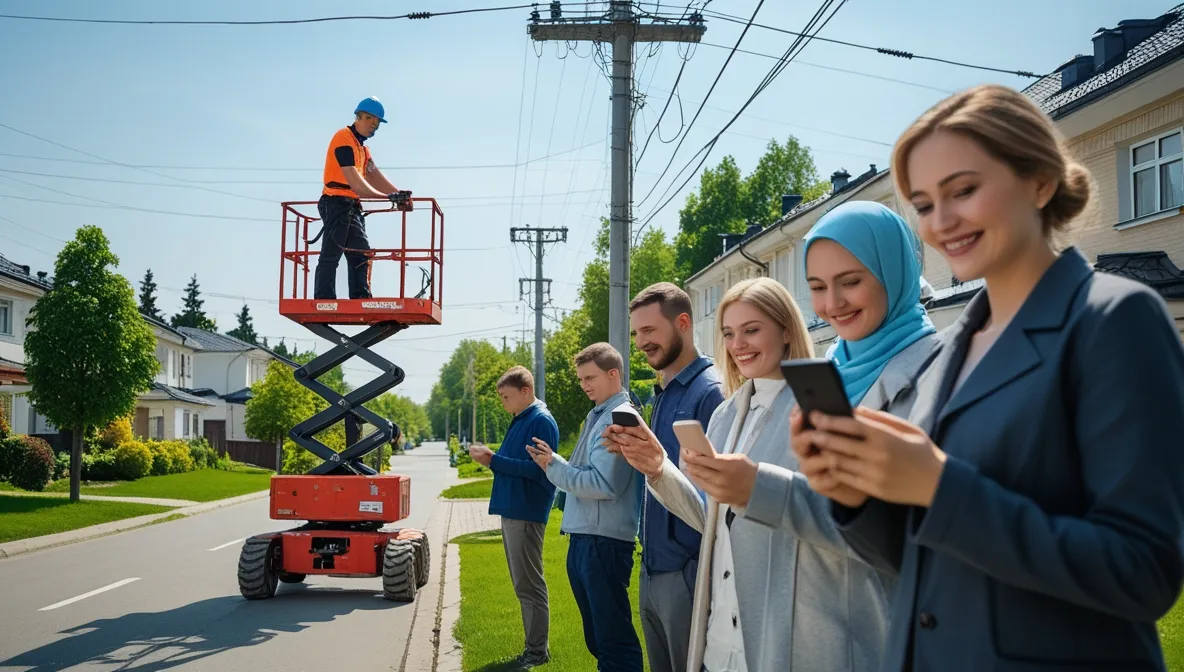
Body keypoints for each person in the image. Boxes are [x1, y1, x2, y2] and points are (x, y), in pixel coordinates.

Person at [796, 83, 1184, 671]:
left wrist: (938, 486)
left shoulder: (1113, 320)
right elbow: (925, 559)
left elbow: (1144, 572)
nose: (942, 222)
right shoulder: (952, 350)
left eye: (964, 191)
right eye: (924, 205)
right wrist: (855, 498)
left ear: (1039, 181)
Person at [609, 277, 892, 671]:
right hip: (719, 641)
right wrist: (657, 467)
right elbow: (709, 522)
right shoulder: (726, 415)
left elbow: (856, 532)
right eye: (728, 333)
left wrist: (758, 489)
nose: (738, 343)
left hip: (787, 637)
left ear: (787, 331)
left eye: (752, 330)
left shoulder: (824, 406)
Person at [526, 343, 644, 672]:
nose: (584, 385)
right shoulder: (598, 415)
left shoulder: (621, 418)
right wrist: (555, 463)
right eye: (581, 379)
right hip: (585, 539)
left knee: (613, 643)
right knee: (598, 639)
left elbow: (604, 485)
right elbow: (585, 472)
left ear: (613, 374)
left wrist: (554, 467)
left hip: (601, 542)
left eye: (590, 377)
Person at [627, 282, 725, 672]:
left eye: (649, 331)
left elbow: (713, 503)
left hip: (688, 574)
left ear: (683, 323)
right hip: (653, 568)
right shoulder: (664, 393)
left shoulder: (711, 393)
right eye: (636, 333)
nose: (640, 342)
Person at [467, 366, 559, 668]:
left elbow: (537, 470)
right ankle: (534, 649)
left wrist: (493, 459)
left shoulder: (540, 421)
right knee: (524, 585)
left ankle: (536, 652)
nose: (504, 403)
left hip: (526, 512)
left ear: (525, 391)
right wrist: (493, 459)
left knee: (529, 584)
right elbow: (517, 463)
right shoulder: (522, 418)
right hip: (515, 511)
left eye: (506, 397)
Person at [314, 96, 412, 300]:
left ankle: (360, 298)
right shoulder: (343, 139)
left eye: (377, 123)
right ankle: (323, 300)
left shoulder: (363, 149)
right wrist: (390, 198)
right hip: (334, 202)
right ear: (358, 117)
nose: (373, 126)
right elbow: (357, 184)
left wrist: (398, 194)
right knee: (332, 253)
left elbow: (374, 174)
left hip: (350, 205)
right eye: (370, 119)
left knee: (361, 252)